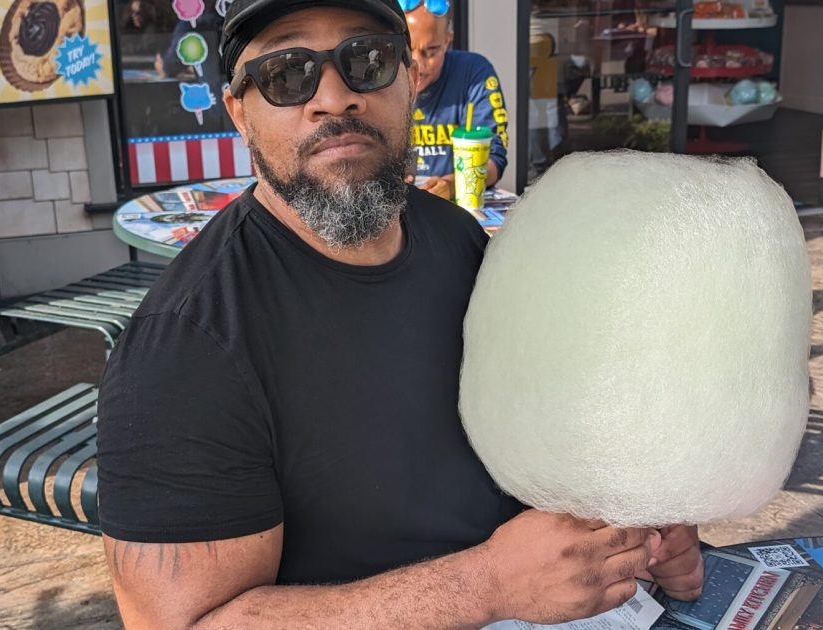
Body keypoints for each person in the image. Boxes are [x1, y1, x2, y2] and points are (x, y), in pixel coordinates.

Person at [96, 1, 704, 627]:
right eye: (286, 73)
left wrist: (632, 519)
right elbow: (181, 622)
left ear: (409, 81)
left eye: (367, 60)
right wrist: (486, 585)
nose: (334, 98)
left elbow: (539, 430)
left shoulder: (456, 239)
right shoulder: (185, 346)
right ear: (239, 114)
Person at [403, 0, 508, 200]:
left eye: (431, 51)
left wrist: (453, 185)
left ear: (447, 41)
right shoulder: (380, 79)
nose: (419, 66)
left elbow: (495, 158)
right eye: (408, 52)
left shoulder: (475, 73)